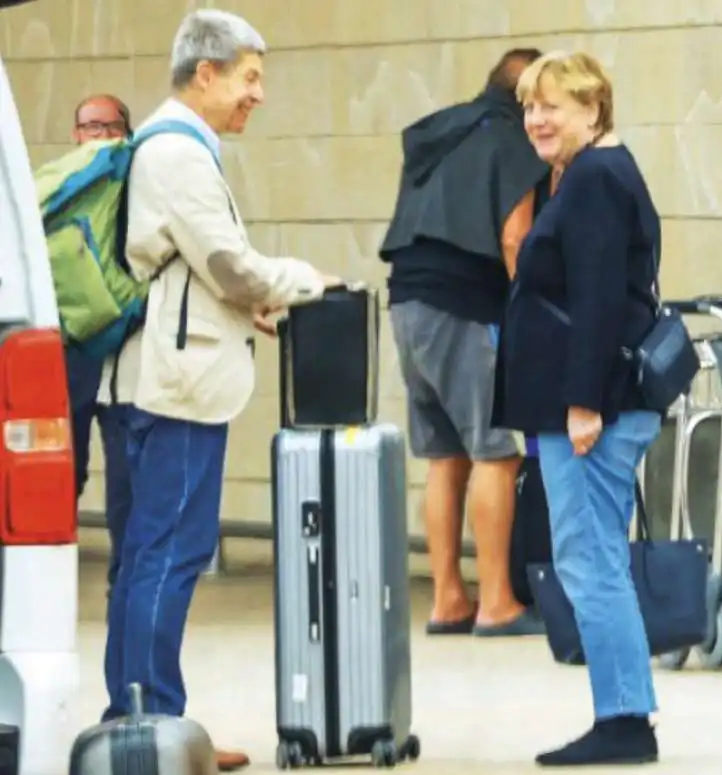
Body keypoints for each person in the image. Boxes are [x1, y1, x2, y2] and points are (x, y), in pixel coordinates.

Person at [97, 10, 337, 772]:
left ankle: (139, 717)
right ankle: (152, 722)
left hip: (170, 378)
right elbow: (228, 263)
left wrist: (250, 308)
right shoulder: (176, 150)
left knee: (147, 554)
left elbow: (199, 272)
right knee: (169, 552)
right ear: (206, 73)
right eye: (249, 76)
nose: (257, 94)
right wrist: (303, 283)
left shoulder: (175, 146)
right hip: (182, 390)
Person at [492, 51, 662, 766]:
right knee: (596, 558)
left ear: (593, 110)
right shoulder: (599, 172)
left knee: (590, 561)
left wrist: (583, 402)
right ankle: (623, 713)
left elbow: (596, 296)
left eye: (552, 105)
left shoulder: (592, 178)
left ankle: (624, 721)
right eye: (530, 105)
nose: (536, 118)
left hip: (590, 413)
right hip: (590, 405)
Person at [380, 49, 549, 637]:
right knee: (497, 453)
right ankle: (498, 602)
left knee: (444, 456)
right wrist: (533, 314)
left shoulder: (442, 132)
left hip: (406, 301)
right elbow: (514, 236)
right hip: (465, 306)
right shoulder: (515, 139)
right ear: (527, 93)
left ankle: (449, 597)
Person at [66, 94, 134, 594]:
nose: (100, 135)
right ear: (76, 135)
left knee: (126, 474)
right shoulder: (59, 186)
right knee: (65, 471)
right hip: (71, 348)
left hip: (126, 347)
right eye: (91, 126)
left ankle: (123, 583)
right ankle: (48, 584)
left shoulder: (137, 186)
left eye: (110, 126)